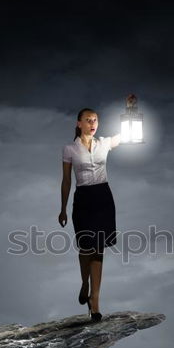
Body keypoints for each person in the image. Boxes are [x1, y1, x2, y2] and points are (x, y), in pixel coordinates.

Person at [58, 107, 122, 322]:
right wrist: (63, 208)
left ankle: (95, 301)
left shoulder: (104, 143)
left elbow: (128, 135)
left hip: (103, 197)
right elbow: (66, 180)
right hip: (83, 198)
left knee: (99, 249)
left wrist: (131, 111)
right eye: (87, 120)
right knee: (86, 246)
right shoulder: (69, 149)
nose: (92, 123)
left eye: (95, 120)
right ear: (79, 123)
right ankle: (84, 282)